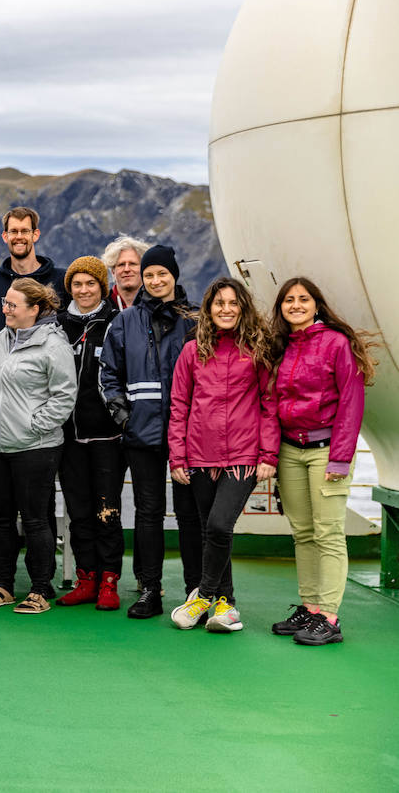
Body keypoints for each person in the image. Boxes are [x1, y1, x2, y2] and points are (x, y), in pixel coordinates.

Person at [167, 277, 278, 634]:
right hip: (199, 456)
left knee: (218, 525)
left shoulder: (256, 351)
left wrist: (268, 454)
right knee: (209, 531)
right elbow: (179, 406)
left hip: (243, 457)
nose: (226, 309)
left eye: (233, 303)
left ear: (242, 308)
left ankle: (204, 595)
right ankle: (226, 607)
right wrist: (178, 457)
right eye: (219, 303)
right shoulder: (192, 351)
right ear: (209, 308)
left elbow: (268, 403)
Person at [99, 244, 201, 619]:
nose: (156, 281)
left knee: (191, 516)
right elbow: (108, 374)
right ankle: (150, 589)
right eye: (149, 275)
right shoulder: (125, 323)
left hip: (189, 435)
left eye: (162, 274)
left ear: (174, 276)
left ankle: (197, 591)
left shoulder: (195, 321)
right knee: (148, 512)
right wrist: (124, 417)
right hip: (141, 433)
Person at [267, 277, 370, 645]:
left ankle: (329, 615)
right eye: (288, 300)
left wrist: (341, 458)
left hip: (327, 450)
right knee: (304, 532)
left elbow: (352, 403)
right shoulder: (282, 346)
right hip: (290, 451)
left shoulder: (336, 344)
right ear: (280, 307)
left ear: (316, 305)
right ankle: (310, 609)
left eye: (303, 299)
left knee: (328, 533)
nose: (295, 305)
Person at [0, 278, 77, 614]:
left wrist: (35, 426)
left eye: (12, 305)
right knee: (1, 519)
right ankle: (3, 584)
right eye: (4, 303)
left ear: (34, 309)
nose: (4, 309)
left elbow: (65, 394)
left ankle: (39, 589)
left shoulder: (53, 345)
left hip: (36, 448)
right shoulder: (3, 339)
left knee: (36, 519)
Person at [54, 257, 125, 610]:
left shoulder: (115, 322)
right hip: (68, 436)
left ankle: (109, 581)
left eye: (90, 284)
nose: (83, 290)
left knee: (107, 510)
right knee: (78, 511)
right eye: (77, 284)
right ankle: (86, 578)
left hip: (107, 437)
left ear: (101, 286)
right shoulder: (57, 326)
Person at [0, 207, 68, 335]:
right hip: (3, 353)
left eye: (25, 231)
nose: (19, 237)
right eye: (14, 231)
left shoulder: (60, 278)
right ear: (5, 236)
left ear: (35, 235)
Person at [101, 235, 149, 312]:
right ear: (113, 271)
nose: (127, 269)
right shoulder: (100, 307)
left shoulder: (156, 305)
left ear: (144, 268)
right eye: (121, 264)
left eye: (132, 264)